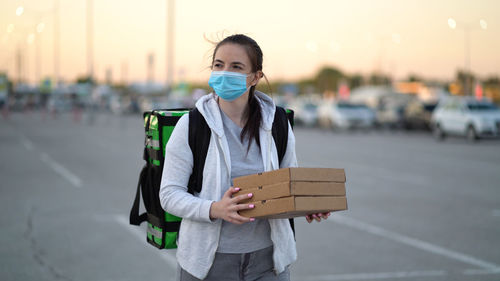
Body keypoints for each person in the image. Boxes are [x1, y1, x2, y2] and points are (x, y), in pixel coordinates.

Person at [159, 34, 330, 281]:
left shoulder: (278, 123)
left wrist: (306, 205)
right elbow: (169, 194)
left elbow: (287, 184)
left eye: (236, 67)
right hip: (208, 264)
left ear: (255, 77)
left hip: (268, 262)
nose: (224, 72)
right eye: (218, 65)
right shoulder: (192, 125)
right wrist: (214, 209)